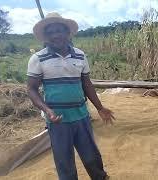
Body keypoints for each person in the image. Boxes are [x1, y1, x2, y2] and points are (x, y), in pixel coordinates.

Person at [27, 12, 114, 180]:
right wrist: (47, 110)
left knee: (91, 156)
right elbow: (31, 89)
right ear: (45, 36)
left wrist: (100, 108)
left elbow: (86, 84)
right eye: (50, 32)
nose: (55, 35)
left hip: (81, 116)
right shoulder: (38, 58)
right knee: (64, 161)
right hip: (57, 120)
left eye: (59, 30)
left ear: (67, 33)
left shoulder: (80, 55)